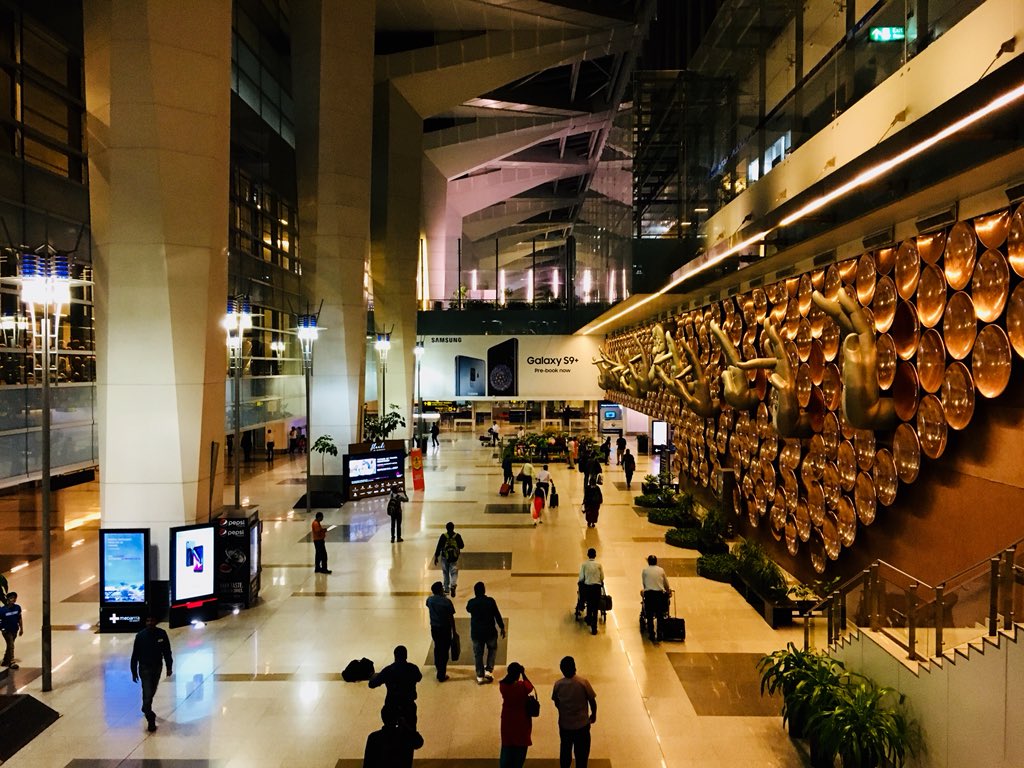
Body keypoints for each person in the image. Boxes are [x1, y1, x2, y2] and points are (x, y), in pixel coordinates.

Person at [551, 655, 597, 768]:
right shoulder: (583, 682)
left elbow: (556, 701)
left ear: (562, 669)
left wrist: (563, 710)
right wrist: (593, 714)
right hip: (582, 725)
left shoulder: (558, 684)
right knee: (582, 755)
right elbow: (592, 701)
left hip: (565, 725)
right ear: (574, 667)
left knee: (565, 751)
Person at [130, 613, 173, 732]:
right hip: (144, 668)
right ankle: (150, 717)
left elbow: (167, 652)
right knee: (147, 691)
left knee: (152, 690)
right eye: (148, 621)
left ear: (155, 621)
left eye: (152, 620)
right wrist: (133, 670)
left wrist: (169, 666)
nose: (150, 623)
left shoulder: (161, 634)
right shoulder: (140, 636)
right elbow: (135, 655)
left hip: (157, 667)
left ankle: (145, 707)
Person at [369, 645, 422, 727]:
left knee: (390, 728)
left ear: (394, 656)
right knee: (411, 730)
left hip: (392, 704)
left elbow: (372, 684)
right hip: (408, 704)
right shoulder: (413, 668)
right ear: (406, 656)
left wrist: (374, 676)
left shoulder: (388, 670)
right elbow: (419, 678)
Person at [466, 581, 505, 684]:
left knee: (478, 654)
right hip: (490, 632)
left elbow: (468, 609)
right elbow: (497, 614)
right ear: (484, 591)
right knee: (492, 649)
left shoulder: (471, 603)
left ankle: (479, 675)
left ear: (475, 592)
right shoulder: (490, 601)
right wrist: (502, 627)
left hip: (476, 633)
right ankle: (488, 670)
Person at [362, 703, 424, 768]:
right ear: (397, 718)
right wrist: (406, 726)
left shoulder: (373, 737)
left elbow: (367, 764)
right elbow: (419, 742)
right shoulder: (403, 737)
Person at [499, 662, 535, 768]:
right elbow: (530, 686)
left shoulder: (503, 686)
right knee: (520, 748)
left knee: (506, 745)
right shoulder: (522, 686)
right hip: (522, 720)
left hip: (507, 720)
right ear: (518, 674)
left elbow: (506, 679)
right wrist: (523, 673)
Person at [425, 582, 456, 682]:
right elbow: (451, 618)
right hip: (445, 629)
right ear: (440, 590)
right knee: (444, 651)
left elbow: (427, 605)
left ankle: (437, 664)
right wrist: (454, 631)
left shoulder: (429, 600)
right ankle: (441, 674)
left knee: (437, 647)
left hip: (434, 628)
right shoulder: (446, 602)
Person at [641, 555, 672, 643]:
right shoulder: (661, 570)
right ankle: (660, 633)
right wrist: (667, 590)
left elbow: (644, 583)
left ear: (648, 562)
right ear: (656, 561)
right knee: (660, 615)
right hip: (659, 595)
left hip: (649, 594)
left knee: (650, 615)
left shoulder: (645, 571)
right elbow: (666, 584)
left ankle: (651, 634)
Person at [433, 522, 465, 597]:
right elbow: (462, 546)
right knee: (454, 572)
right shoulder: (457, 536)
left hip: (445, 557)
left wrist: (436, 556)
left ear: (446, 528)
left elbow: (439, 547)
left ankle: (446, 589)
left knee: (445, 572)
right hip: (454, 558)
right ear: (453, 528)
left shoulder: (443, 536)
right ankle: (453, 585)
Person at [578, 549, 604, 635]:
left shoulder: (584, 565)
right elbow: (602, 577)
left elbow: (581, 578)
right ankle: (594, 628)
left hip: (588, 588)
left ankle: (588, 618)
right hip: (596, 588)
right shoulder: (599, 565)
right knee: (595, 607)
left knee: (589, 603)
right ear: (595, 555)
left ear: (587, 555)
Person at [0, 592, 23, 669]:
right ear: (8, 599)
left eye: (14, 598)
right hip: (6, 631)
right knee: (11, 645)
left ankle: (5, 660)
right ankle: (11, 662)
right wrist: (2, 628)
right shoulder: (2, 610)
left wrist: (21, 628)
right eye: (11, 598)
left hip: (14, 630)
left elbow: (19, 618)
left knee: (10, 645)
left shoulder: (17, 608)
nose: (13, 599)